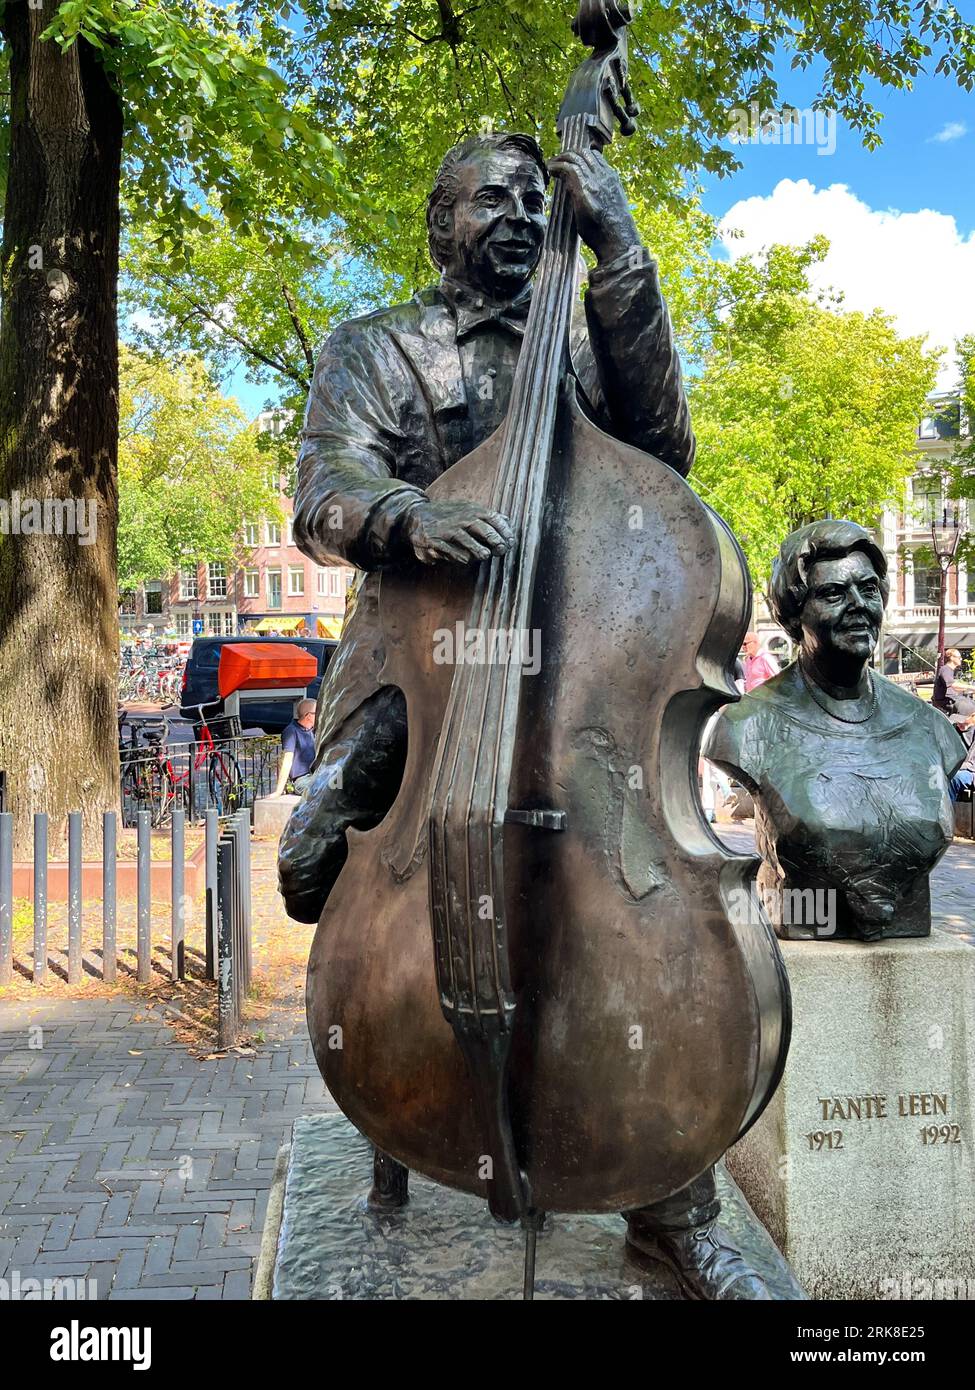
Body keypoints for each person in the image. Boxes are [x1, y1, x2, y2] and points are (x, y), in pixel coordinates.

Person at [278, 130, 766, 1300]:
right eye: (483, 194)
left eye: (527, 191)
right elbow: (323, 492)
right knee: (323, 854)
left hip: (584, 667)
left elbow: (668, 454)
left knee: (628, 907)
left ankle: (670, 1195)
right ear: (438, 220)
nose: (510, 207)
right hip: (425, 659)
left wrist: (622, 252)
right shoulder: (377, 347)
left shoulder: (589, 348)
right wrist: (403, 517)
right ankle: (403, 1099)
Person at [706, 520, 963, 941]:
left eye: (869, 589)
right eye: (833, 594)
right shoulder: (746, 726)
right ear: (792, 615)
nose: (858, 605)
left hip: (912, 925)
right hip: (805, 917)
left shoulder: (928, 726)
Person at [272, 699, 317, 796]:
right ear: (308, 716)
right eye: (317, 712)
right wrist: (279, 791)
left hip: (315, 776)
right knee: (321, 789)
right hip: (301, 780)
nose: (320, 715)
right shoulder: (291, 731)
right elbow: (286, 761)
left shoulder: (311, 731)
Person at [932, 647, 975, 717]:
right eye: (959, 657)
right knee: (971, 709)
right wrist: (972, 688)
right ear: (952, 658)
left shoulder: (949, 670)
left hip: (951, 699)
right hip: (945, 702)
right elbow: (954, 685)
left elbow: (955, 688)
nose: (961, 659)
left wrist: (968, 691)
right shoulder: (946, 669)